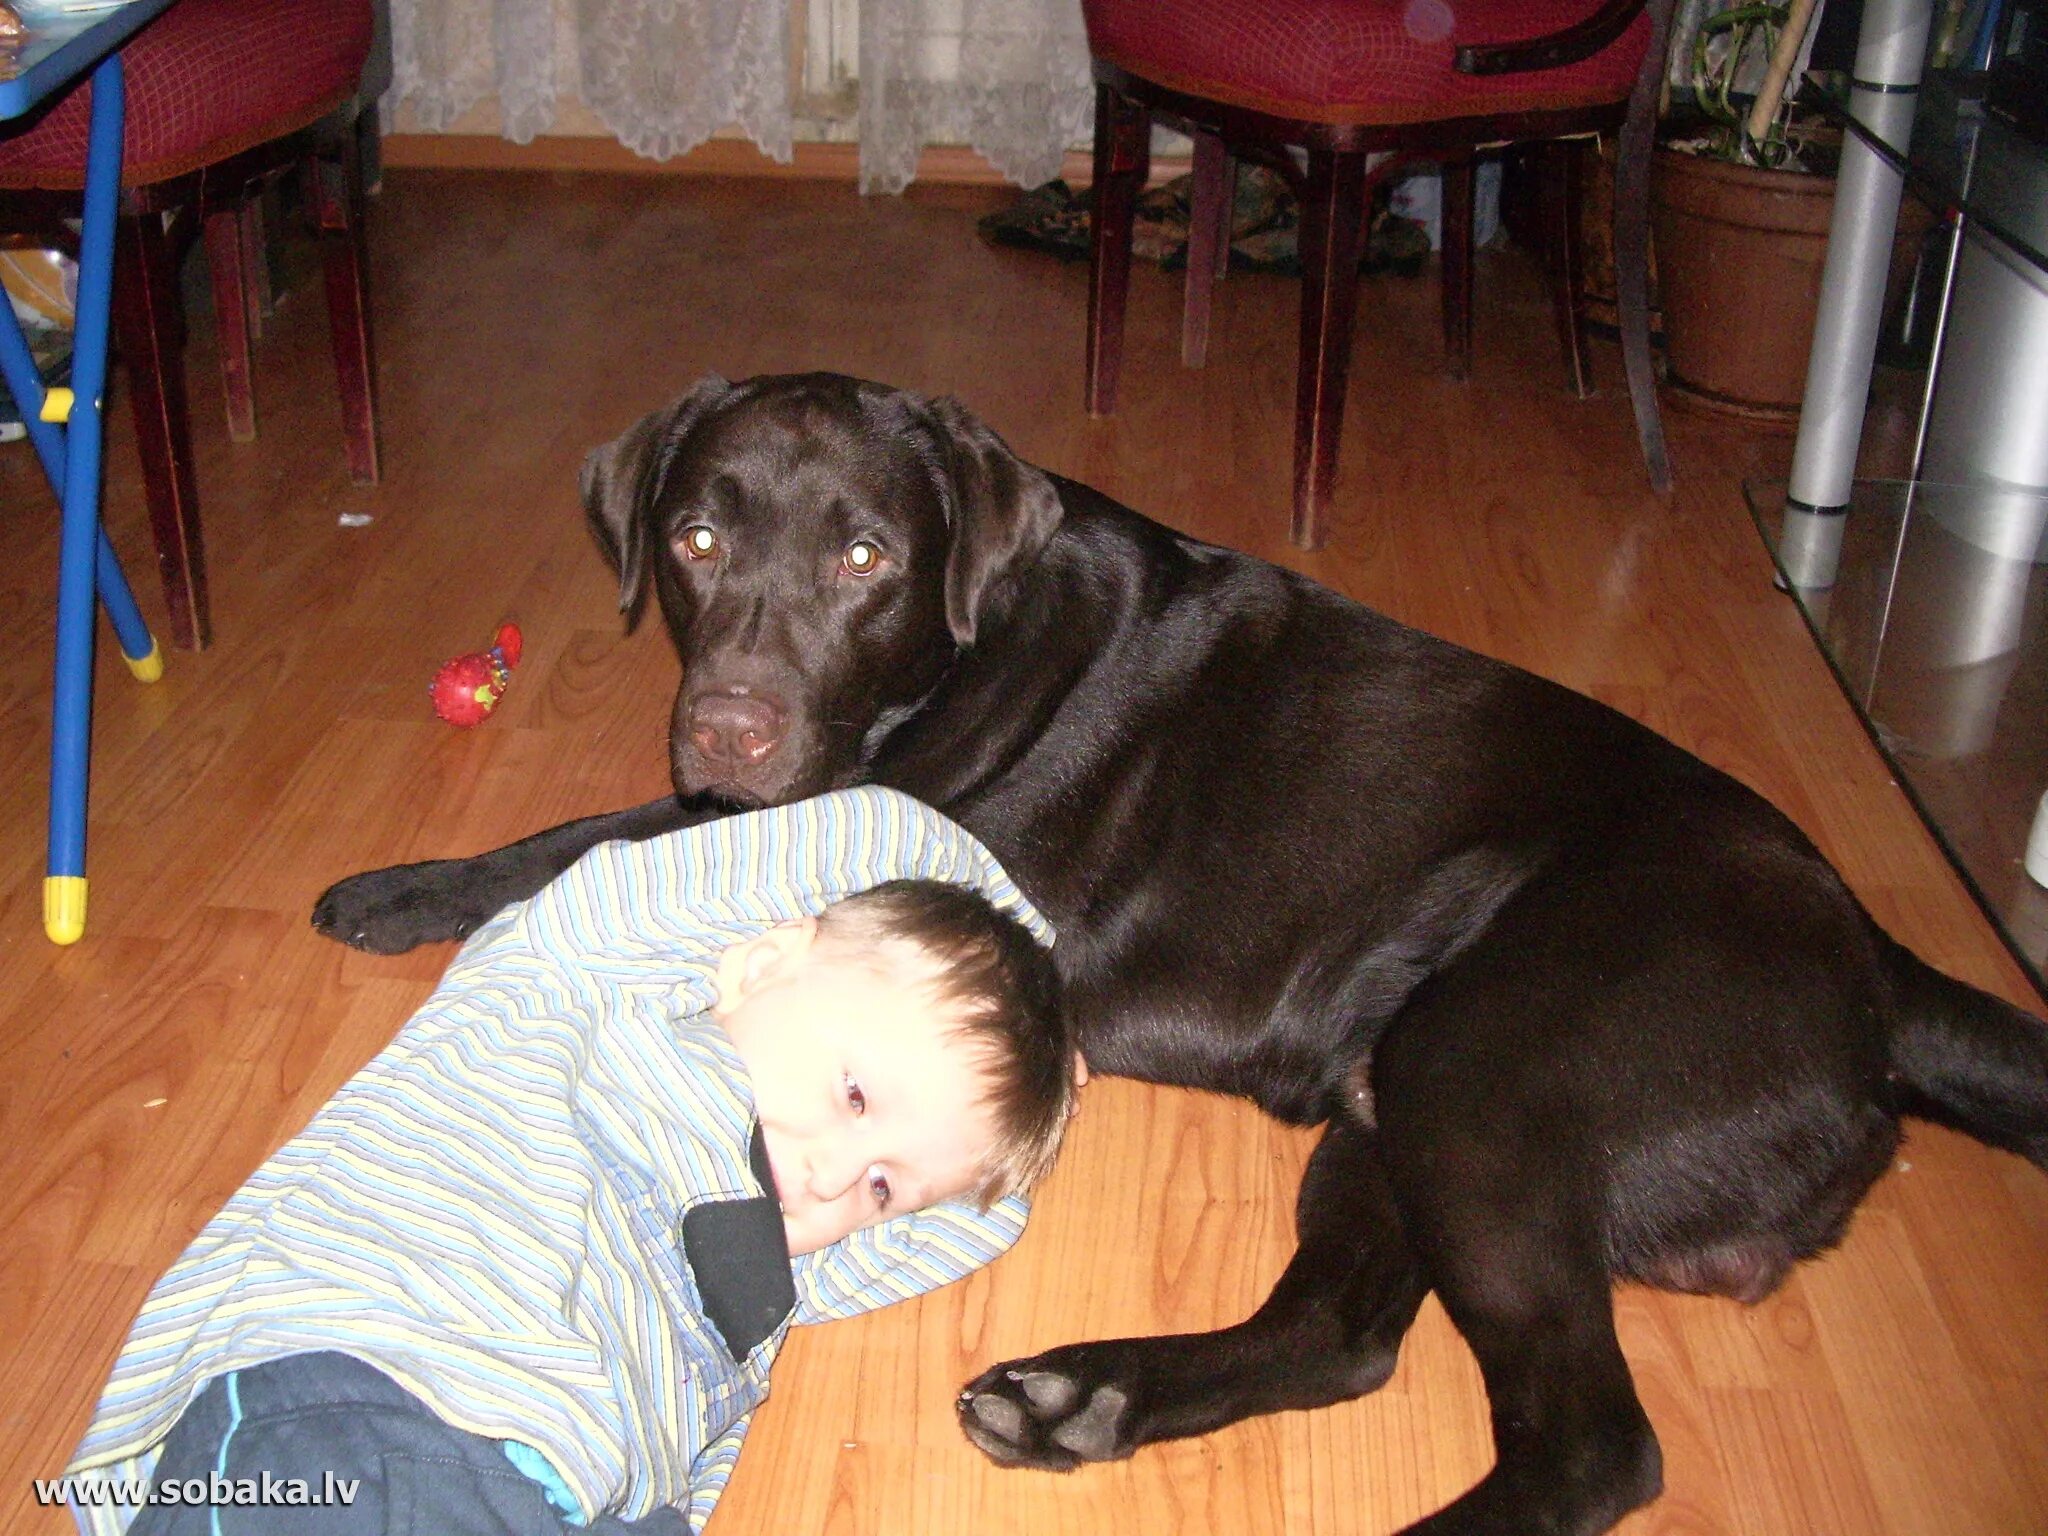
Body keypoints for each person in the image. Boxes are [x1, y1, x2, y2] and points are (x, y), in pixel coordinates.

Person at [62, 786, 1078, 1536]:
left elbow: (976, 1212)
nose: (831, 1172)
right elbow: (886, 833)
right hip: (370, 1396)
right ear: (763, 960)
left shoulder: (782, 1269)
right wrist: (1029, 948)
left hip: (575, 1502)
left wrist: (1026, 1092)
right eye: (853, 1096)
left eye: (881, 1185)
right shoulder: (576, 996)